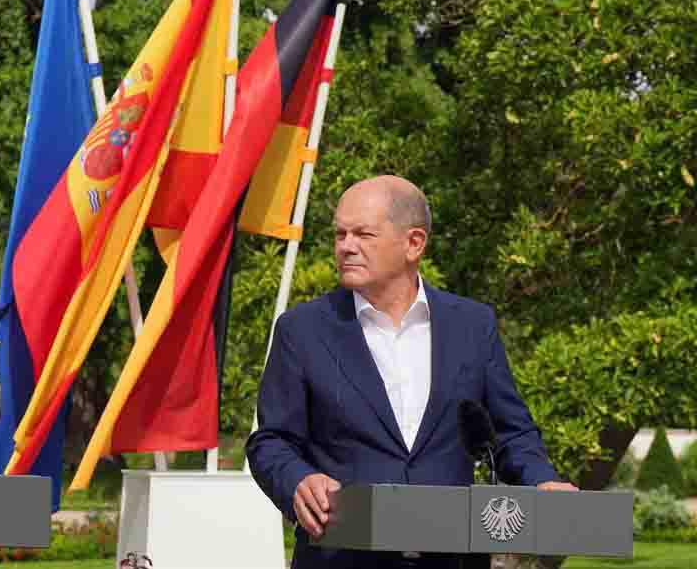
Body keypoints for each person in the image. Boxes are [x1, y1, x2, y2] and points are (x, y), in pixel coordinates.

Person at [246, 175, 576, 569]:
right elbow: (270, 442)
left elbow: (510, 432)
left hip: (451, 558)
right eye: (340, 234)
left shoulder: (472, 325)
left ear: (414, 243)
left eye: (363, 234)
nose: (346, 246)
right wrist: (298, 479)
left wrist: (543, 481)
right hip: (339, 557)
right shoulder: (302, 330)